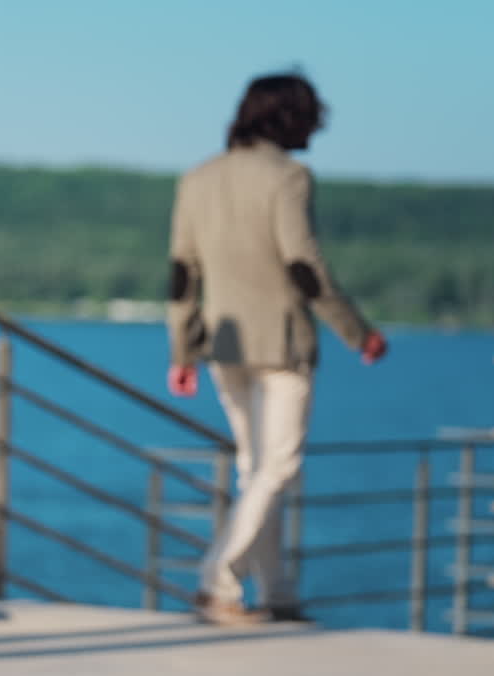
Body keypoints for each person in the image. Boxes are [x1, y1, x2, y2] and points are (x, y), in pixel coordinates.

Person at [165, 72, 387, 625]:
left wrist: (183, 349)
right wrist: (357, 330)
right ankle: (218, 579)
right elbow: (303, 264)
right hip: (281, 344)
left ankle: (278, 593)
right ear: (289, 119)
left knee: (256, 471)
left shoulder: (198, 179)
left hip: (225, 344)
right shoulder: (289, 177)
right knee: (278, 468)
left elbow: (180, 273)